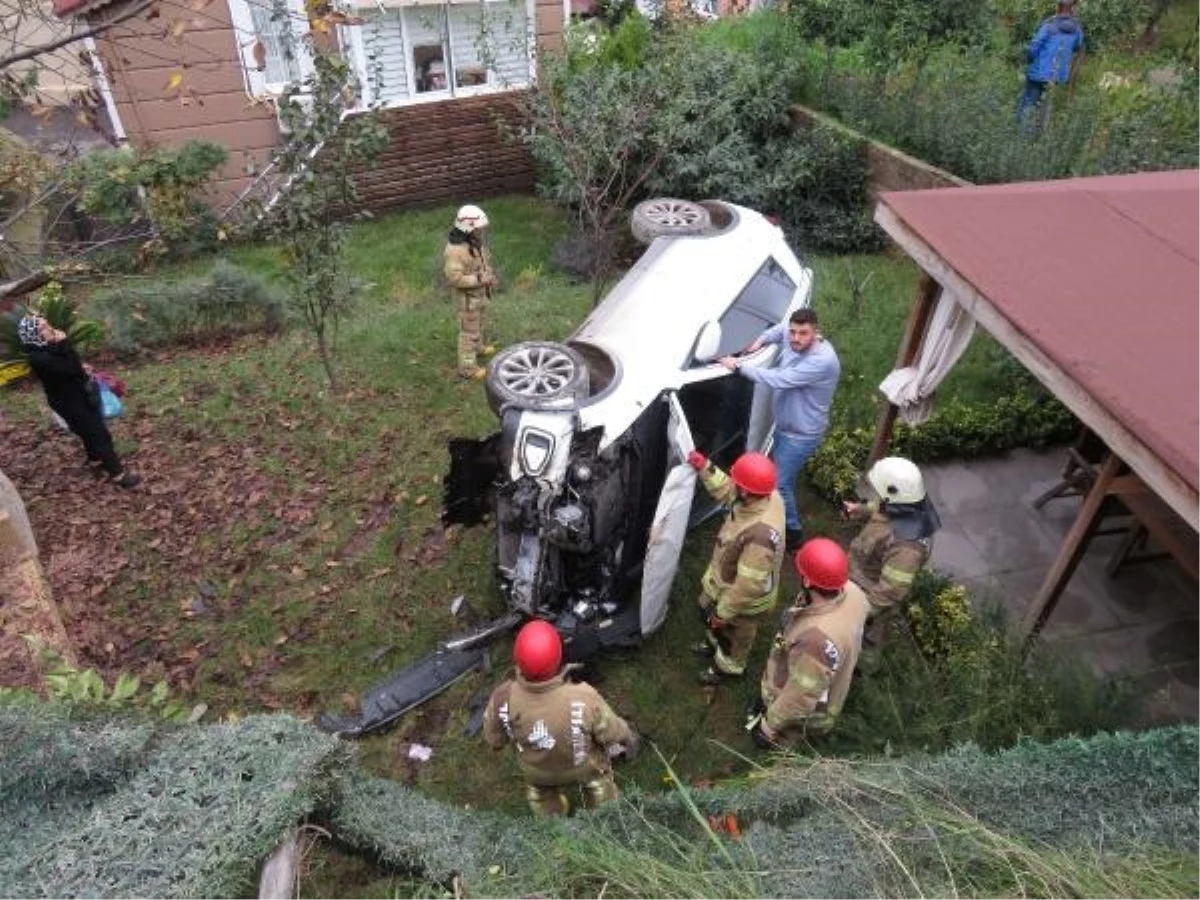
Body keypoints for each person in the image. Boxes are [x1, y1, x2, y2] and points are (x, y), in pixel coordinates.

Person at [482, 619, 640, 816]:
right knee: (598, 782)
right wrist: (627, 737)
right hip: (582, 765)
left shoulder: (502, 697)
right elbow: (609, 729)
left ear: (518, 661)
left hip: (536, 769)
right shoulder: (583, 697)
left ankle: (552, 816)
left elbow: (494, 739)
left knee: (539, 793)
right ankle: (604, 812)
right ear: (559, 659)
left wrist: (500, 740)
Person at [719, 307, 841, 553]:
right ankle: (778, 512)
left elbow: (780, 379)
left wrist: (738, 366)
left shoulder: (822, 361)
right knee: (784, 477)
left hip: (801, 434)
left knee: (779, 484)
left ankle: (794, 537)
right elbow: (780, 329)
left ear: (816, 332)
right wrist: (761, 340)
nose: (795, 338)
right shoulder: (791, 334)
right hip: (786, 426)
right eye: (793, 332)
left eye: (803, 333)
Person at [747, 538, 869, 748]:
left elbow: (800, 698)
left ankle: (781, 760)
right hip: (827, 674)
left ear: (808, 582)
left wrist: (768, 726)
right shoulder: (854, 593)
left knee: (783, 739)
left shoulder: (816, 642)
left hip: (808, 711)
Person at [686, 449, 786, 686]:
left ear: (748, 493)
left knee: (735, 637)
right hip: (727, 580)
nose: (734, 487)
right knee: (711, 616)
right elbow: (728, 489)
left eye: (739, 485)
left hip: (745, 602)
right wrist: (705, 467)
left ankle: (728, 668)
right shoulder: (764, 494)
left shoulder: (760, 536)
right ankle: (713, 642)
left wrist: (724, 613)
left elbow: (748, 586)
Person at [17, 314, 140, 488]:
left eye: (47, 323)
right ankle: (118, 474)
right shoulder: (39, 357)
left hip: (76, 396)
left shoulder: (44, 349)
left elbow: (69, 366)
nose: (49, 328)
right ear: (32, 335)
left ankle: (95, 461)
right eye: (43, 327)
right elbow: (70, 367)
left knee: (88, 432)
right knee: (99, 434)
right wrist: (64, 343)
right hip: (70, 403)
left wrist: (77, 364)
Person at [842, 456, 940, 659]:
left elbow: (888, 593)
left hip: (870, 603)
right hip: (856, 581)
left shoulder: (907, 549)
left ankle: (861, 670)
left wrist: (854, 614)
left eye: (878, 490)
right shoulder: (905, 502)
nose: (875, 494)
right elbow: (881, 508)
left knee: (862, 647)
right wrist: (859, 510)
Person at [444, 204, 497, 379]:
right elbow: (455, 279)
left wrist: (489, 275)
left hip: (478, 297)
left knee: (477, 325)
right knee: (468, 333)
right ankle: (467, 369)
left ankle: (478, 348)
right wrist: (479, 279)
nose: (481, 231)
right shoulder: (456, 251)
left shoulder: (473, 243)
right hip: (467, 301)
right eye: (477, 229)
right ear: (467, 228)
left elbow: (482, 263)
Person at [1017, 0, 1084, 128]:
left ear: (1058, 7)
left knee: (1028, 106)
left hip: (1037, 74)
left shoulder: (1049, 25)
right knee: (1045, 110)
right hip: (1057, 77)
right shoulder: (1077, 30)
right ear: (1073, 9)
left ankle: (1022, 140)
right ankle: (1039, 140)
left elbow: (1034, 47)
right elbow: (1078, 46)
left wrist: (1028, 59)